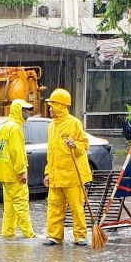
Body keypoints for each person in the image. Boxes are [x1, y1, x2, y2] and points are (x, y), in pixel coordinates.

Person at [42, 88, 92, 246]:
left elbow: (84, 145)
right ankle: (54, 236)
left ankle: (80, 236)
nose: (49, 108)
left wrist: (75, 145)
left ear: (60, 106)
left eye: (52, 105)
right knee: (54, 207)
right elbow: (51, 153)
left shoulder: (74, 123)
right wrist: (47, 173)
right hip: (56, 175)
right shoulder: (51, 127)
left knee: (76, 207)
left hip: (72, 175)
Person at [0, 98, 36, 239]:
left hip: (4, 173)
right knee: (21, 205)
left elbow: (2, 150)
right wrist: (22, 171)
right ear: (18, 111)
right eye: (24, 110)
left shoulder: (6, 126)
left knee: (10, 209)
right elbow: (17, 151)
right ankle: (29, 235)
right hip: (14, 174)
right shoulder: (15, 128)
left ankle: (8, 234)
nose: (27, 113)